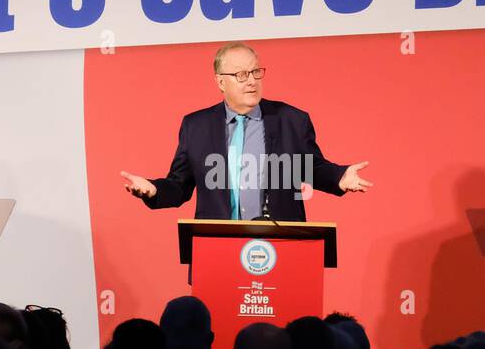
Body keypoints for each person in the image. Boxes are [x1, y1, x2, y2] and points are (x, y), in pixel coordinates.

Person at [120, 42, 371, 221]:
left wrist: (340, 176)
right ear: (220, 81)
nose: (251, 80)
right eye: (241, 75)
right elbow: (179, 186)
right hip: (217, 247)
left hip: (279, 244)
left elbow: (311, 168)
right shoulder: (196, 126)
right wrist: (153, 190)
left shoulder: (291, 120)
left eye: (255, 72)